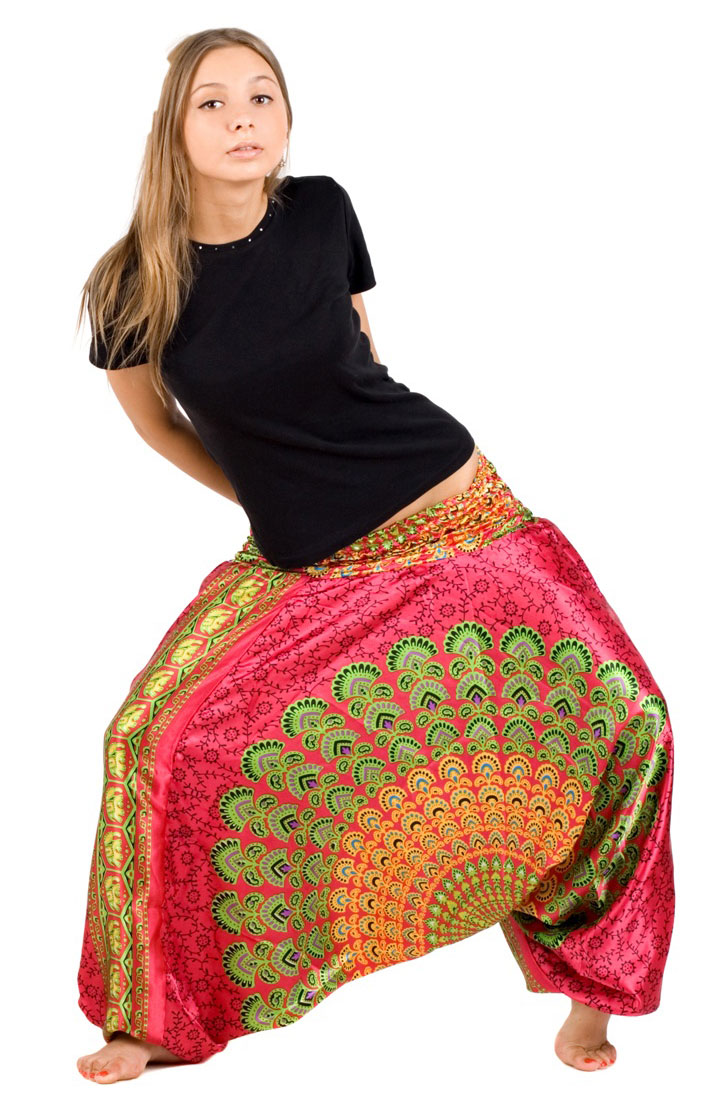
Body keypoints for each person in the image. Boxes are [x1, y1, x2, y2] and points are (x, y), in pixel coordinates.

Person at [75, 27, 675, 1085]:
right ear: (173, 127)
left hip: (454, 512)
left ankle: (591, 987)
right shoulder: (131, 281)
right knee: (154, 745)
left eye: (263, 96)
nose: (243, 118)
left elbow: (359, 353)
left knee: (629, 715)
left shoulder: (324, 210)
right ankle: (160, 1017)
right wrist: (269, 494)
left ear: (287, 118)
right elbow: (156, 425)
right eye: (213, 102)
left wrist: (337, 470)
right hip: (310, 561)